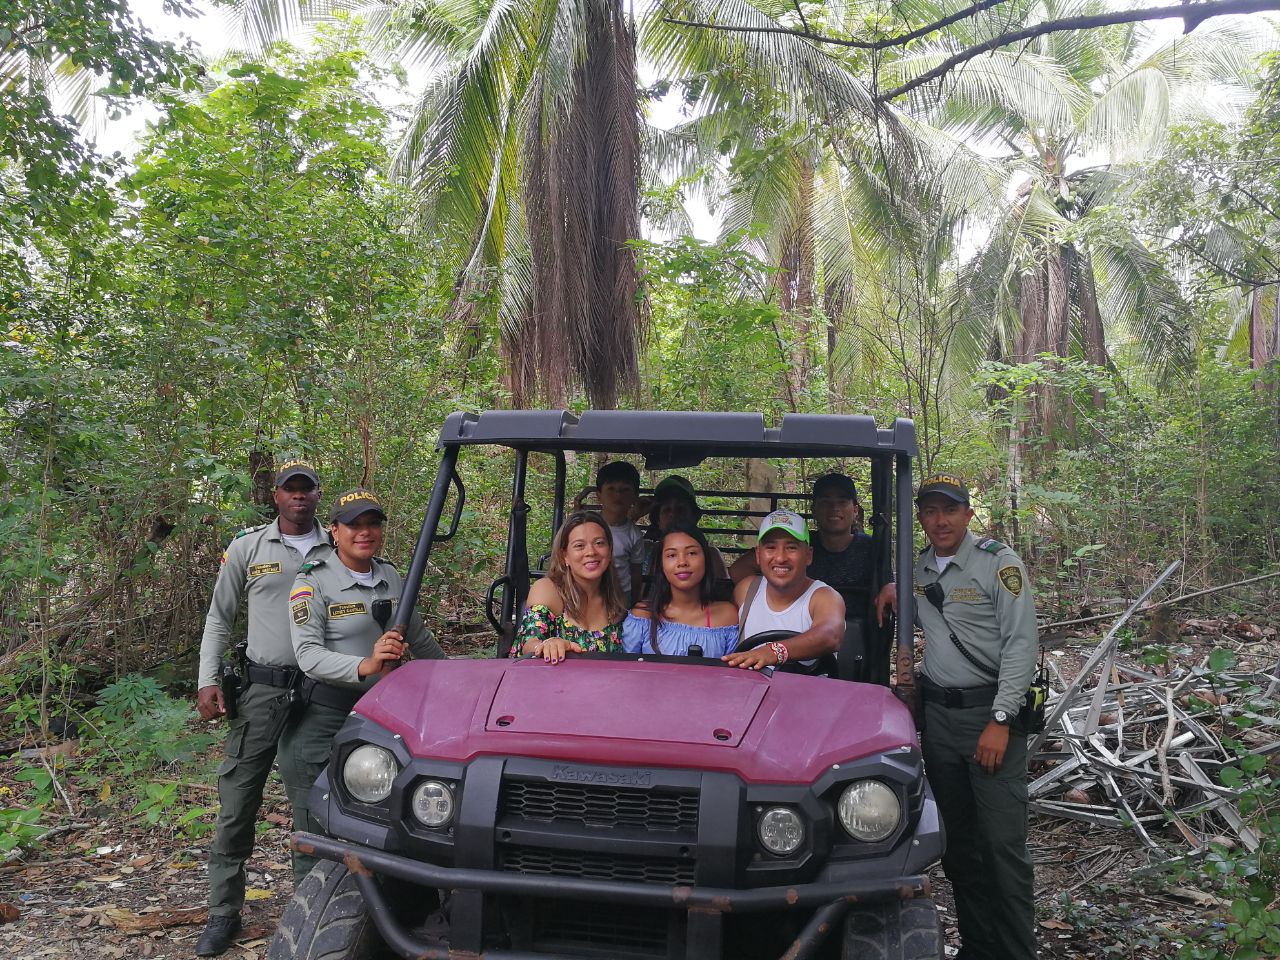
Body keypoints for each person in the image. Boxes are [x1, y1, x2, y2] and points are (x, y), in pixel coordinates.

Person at [874, 474, 1038, 960]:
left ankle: (1016, 951)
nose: (940, 520)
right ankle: (979, 946)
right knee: (960, 848)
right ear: (921, 517)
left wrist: (1002, 719)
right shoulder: (921, 569)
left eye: (950, 510)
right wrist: (893, 588)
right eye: (930, 511)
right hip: (940, 723)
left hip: (990, 718)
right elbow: (923, 614)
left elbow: (1021, 645)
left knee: (1003, 850)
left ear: (968, 514)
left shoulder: (997, 563)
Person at [195, 460, 332, 957]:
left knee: (312, 806)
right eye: (290, 489)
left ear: (318, 496)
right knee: (238, 802)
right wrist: (208, 679)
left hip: (321, 694)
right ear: (276, 496)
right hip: (261, 690)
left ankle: (310, 911)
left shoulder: (336, 546)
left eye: (307, 489)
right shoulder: (249, 547)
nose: (299, 496)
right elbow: (220, 616)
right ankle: (222, 912)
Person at [283, 488, 445, 886]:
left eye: (373, 523)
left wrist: (456, 680)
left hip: (381, 716)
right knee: (317, 833)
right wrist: (367, 665)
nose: (365, 532)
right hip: (325, 715)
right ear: (334, 531)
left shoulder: (389, 575)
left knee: (382, 816)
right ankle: (310, 909)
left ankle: (378, 902)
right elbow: (308, 655)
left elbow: (418, 636)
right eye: (354, 525)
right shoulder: (312, 583)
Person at [723, 510, 845, 671]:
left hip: (808, 693)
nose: (780, 558)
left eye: (791, 547)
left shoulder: (824, 596)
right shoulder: (747, 589)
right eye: (771, 547)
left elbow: (831, 635)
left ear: (808, 555)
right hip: (749, 690)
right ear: (758, 555)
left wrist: (773, 652)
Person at [512, 511, 628, 663]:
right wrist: (548, 645)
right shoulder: (548, 589)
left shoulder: (617, 598)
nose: (591, 552)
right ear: (564, 555)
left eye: (599, 543)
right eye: (579, 546)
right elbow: (529, 642)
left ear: (610, 549)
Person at [729, 473, 875, 590]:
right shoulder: (798, 543)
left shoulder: (871, 547)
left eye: (842, 501)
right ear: (814, 510)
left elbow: (891, 586)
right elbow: (739, 569)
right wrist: (771, 596)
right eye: (825, 501)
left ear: (855, 510)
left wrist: (891, 589)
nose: (834, 508)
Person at [622, 524, 739, 657]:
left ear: (706, 559)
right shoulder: (642, 616)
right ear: (661, 564)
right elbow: (627, 672)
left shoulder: (727, 616)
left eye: (692, 553)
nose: (682, 562)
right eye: (671, 555)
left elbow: (732, 675)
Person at [643, 475, 729, 581]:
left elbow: (722, 592)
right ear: (658, 520)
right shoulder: (646, 550)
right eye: (666, 510)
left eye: (680, 509)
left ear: (693, 517)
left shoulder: (711, 556)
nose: (673, 515)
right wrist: (633, 515)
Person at [591, 461, 646, 603]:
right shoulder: (587, 526)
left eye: (625, 490)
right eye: (611, 489)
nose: (618, 495)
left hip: (622, 598)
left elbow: (636, 575)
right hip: (589, 593)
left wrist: (634, 605)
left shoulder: (634, 535)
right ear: (599, 495)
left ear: (635, 496)